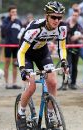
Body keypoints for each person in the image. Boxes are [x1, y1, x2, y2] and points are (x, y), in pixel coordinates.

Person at [16, 1, 68, 130]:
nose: (57, 20)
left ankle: (50, 116)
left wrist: (63, 61)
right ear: (47, 16)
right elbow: (21, 51)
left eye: (59, 17)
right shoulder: (35, 28)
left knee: (53, 82)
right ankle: (21, 112)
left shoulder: (62, 29)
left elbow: (62, 47)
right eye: (53, 17)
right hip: (26, 54)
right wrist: (22, 69)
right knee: (31, 86)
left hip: (42, 53)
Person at [67, 4, 83, 85]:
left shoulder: (81, 20)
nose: (77, 10)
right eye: (75, 9)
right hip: (70, 46)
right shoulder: (68, 21)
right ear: (72, 10)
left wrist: (80, 37)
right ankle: (68, 81)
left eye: (78, 9)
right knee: (70, 64)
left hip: (80, 45)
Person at [2, 5, 22, 89]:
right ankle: (6, 83)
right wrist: (11, 21)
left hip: (16, 45)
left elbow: (22, 31)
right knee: (7, 63)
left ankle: (14, 83)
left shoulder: (18, 21)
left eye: (15, 12)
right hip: (8, 45)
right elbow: (4, 32)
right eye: (13, 12)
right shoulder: (5, 21)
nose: (14, 13)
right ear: (9, 13)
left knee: (15, 64)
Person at [66, 10, 83, 90]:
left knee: (75, 67)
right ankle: (65, 83)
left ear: (78, 17)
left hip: (76, 49)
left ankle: (73, 83)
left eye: (76, 15)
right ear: (71, 16)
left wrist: (78, 37)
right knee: (67, 66)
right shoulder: (66, 25)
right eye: (74, 15)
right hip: (67, 48)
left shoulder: (78, 26)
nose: (75, 17)